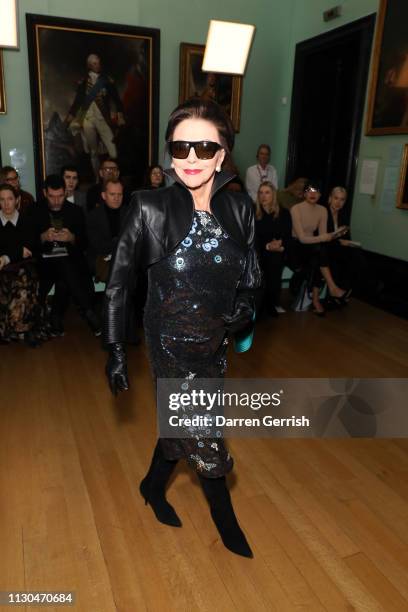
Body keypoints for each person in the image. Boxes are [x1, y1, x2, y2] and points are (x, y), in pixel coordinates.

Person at [103, 98, 261, 558]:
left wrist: (246, 310)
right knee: (203, 430)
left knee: (182, 425)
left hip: (214, 342)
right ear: (170, 153)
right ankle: (224, 518)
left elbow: (252, 280)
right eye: (180, 146)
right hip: (168, 340)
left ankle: (152, 486)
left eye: (202, 147)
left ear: (221, 154)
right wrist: (114, 348)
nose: (190, 157)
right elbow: (118, 284)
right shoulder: (147, 207)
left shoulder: (241, 210)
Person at [30, 174, 101, 336]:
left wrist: (72, 238)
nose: (56, 201)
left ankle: (56, 319)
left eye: (60, 196)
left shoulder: (75, 211)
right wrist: (42, 237)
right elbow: (28, 242)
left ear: (66, 193)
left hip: (71, 262)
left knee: (65, 268)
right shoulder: (35, 210)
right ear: (44, 193)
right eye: (52, 196)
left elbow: (84, 243)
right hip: (44, 264)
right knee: (65, 268)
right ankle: (88, 312)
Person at [289, 182, 349, 316]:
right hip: (296, 246)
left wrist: (334, 235)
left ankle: (319, 298)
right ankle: (330, 289)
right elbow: (303, 238)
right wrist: (324, 238)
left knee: (320, 254)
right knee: (320, 253)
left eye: (316, 191)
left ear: (320, 195)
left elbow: (323, 236)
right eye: (309, 191)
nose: (312, 194)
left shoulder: (322, 210)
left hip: (313, 247)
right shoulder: (296, 208)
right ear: (304, 193)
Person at [64, 53, 125, 177]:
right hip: (87, 120)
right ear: (89, 66)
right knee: (93, 152)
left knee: (113, 152)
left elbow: (117, 99)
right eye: (94, 64)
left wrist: (120, 116)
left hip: (103, 119)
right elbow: (77, 103)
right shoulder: (83, 82)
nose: (97, 66)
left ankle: (112, 176)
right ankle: (98, 178)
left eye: (98, 63)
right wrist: (67, 120)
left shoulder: (107, 80)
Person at [0, 184, 44, 346]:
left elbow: (30, 248)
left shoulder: (27, 220)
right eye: (2, 200)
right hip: (3, 269)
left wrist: (5, 257)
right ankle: (18, 329)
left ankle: (22, 329)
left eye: (10, 199)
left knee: (24, 280)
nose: (6, 204)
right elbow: (22, 249)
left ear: (17, 200)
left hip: (24, 266)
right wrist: (17, 251)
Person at [255, 181, 291, 315]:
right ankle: (263, 304)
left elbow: (288, 234)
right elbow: (253, 237)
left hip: (278, 250)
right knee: (266, 260)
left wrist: (280, 244)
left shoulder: (284, 213)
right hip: (259, 250)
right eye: (261, 193)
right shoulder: (253, 212)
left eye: (267, 192)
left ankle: (272, 302)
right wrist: (268, 246)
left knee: (275, 259)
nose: (263, 196)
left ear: (273, 195)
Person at [86, 178, 127, 280]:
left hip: (125, 258)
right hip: (101, 258)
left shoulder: (129, 213)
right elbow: (98, 245)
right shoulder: (93, 216)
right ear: (104, 195)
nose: (116, 198)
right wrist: (119, 242)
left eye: (119, 194)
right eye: (112, 194)